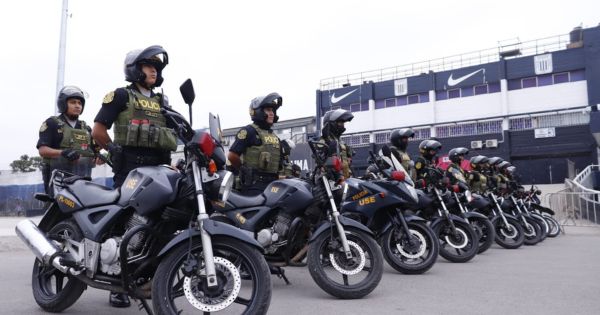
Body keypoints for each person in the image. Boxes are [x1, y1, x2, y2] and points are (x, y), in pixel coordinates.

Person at [91, 45, 176, 308]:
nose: (153, 70)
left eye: (156, 67)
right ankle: (116, 283)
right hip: (130, 168)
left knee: (158, 222)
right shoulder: (120, 95)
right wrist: (113, 149)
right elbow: (98, 130)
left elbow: (178, 128)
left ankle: (149, 275)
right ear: (134, 69)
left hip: (159, 169)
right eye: (148, 66)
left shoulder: (163, 102)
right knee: (124, 221)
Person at [37, 86, 98, 194]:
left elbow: (94, 155)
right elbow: (42, 150)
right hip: (57, 180)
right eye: (73, 102)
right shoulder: (52, 123)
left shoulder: (86, 128)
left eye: (80, 103)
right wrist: (63, 153)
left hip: (82, 180)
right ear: (63, 104)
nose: (77, 105)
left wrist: (101, 158)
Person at [227, 93, 283, 195]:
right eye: (268, 110)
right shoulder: (249, 131)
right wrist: (244, 170)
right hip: (254, 185)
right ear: (257, 111)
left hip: (273, 185)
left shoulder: (275, 137)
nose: (272, 113)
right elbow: (232, 156)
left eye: (272, 110)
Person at [319, 109, 354, 180]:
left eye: (343, 123)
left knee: (364, 190)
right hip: (330, 180)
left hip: (345, 178)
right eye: (340, 123)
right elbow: (320, 158)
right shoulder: (324, 140)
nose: (343, 125)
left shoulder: (340, 141)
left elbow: (347, 158)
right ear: (332, 123)